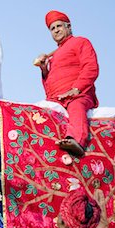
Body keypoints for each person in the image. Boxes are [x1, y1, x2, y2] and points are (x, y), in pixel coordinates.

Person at [36, 10, 99, 157]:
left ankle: (77, 141)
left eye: (59, 26)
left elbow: (91, 67)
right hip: (56, 99)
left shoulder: (81, 42)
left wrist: (77, 89)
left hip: (79, 95)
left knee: (76, 106)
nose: (56, 30)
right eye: (52, 29)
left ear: (68, 27)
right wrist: (44, 68)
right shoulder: (52, 55)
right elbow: (50, 85)